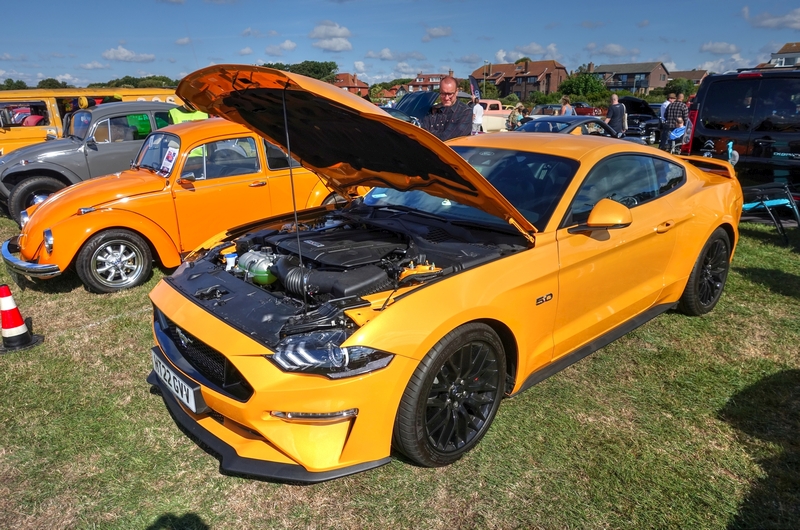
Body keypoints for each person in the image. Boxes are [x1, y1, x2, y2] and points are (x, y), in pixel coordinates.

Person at [421, 76, 472, 141]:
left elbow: (448, 138)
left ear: (456, 91)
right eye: (443, 93)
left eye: (450, 94)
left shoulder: (465, 112)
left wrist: (429, 134)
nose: (446, 98)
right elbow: (421, 133)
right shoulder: (433, 110)